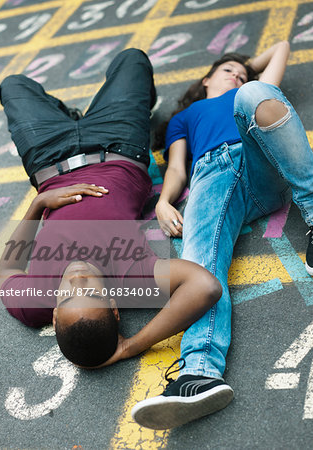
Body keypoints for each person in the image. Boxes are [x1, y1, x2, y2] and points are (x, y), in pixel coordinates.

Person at [0, 48, 221, 399]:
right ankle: (108, 113)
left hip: (48, 157)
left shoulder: (35, 300)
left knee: (12, 84)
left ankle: (67, 118)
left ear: (54, 315)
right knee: (132, 59)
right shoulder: (132, 281)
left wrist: (38, 205)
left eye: (69, 294)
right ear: (115, 308)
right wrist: (130, 346)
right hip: (118, 145)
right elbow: (205, 287)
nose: (78, 278)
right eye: (93, 292)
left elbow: (6, 272)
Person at [131, 41, 313, 429]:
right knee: (200, 263)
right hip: (211, 176)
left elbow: (280, 47)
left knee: (257, 94)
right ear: (205, 78)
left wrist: (245, 72)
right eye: (227, 69)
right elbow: (178, 168)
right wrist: (165, 201)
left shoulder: (244, 93)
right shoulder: (187, 115)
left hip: (259, 157)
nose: (237, 73)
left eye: (242, 70)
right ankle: (199, 372)